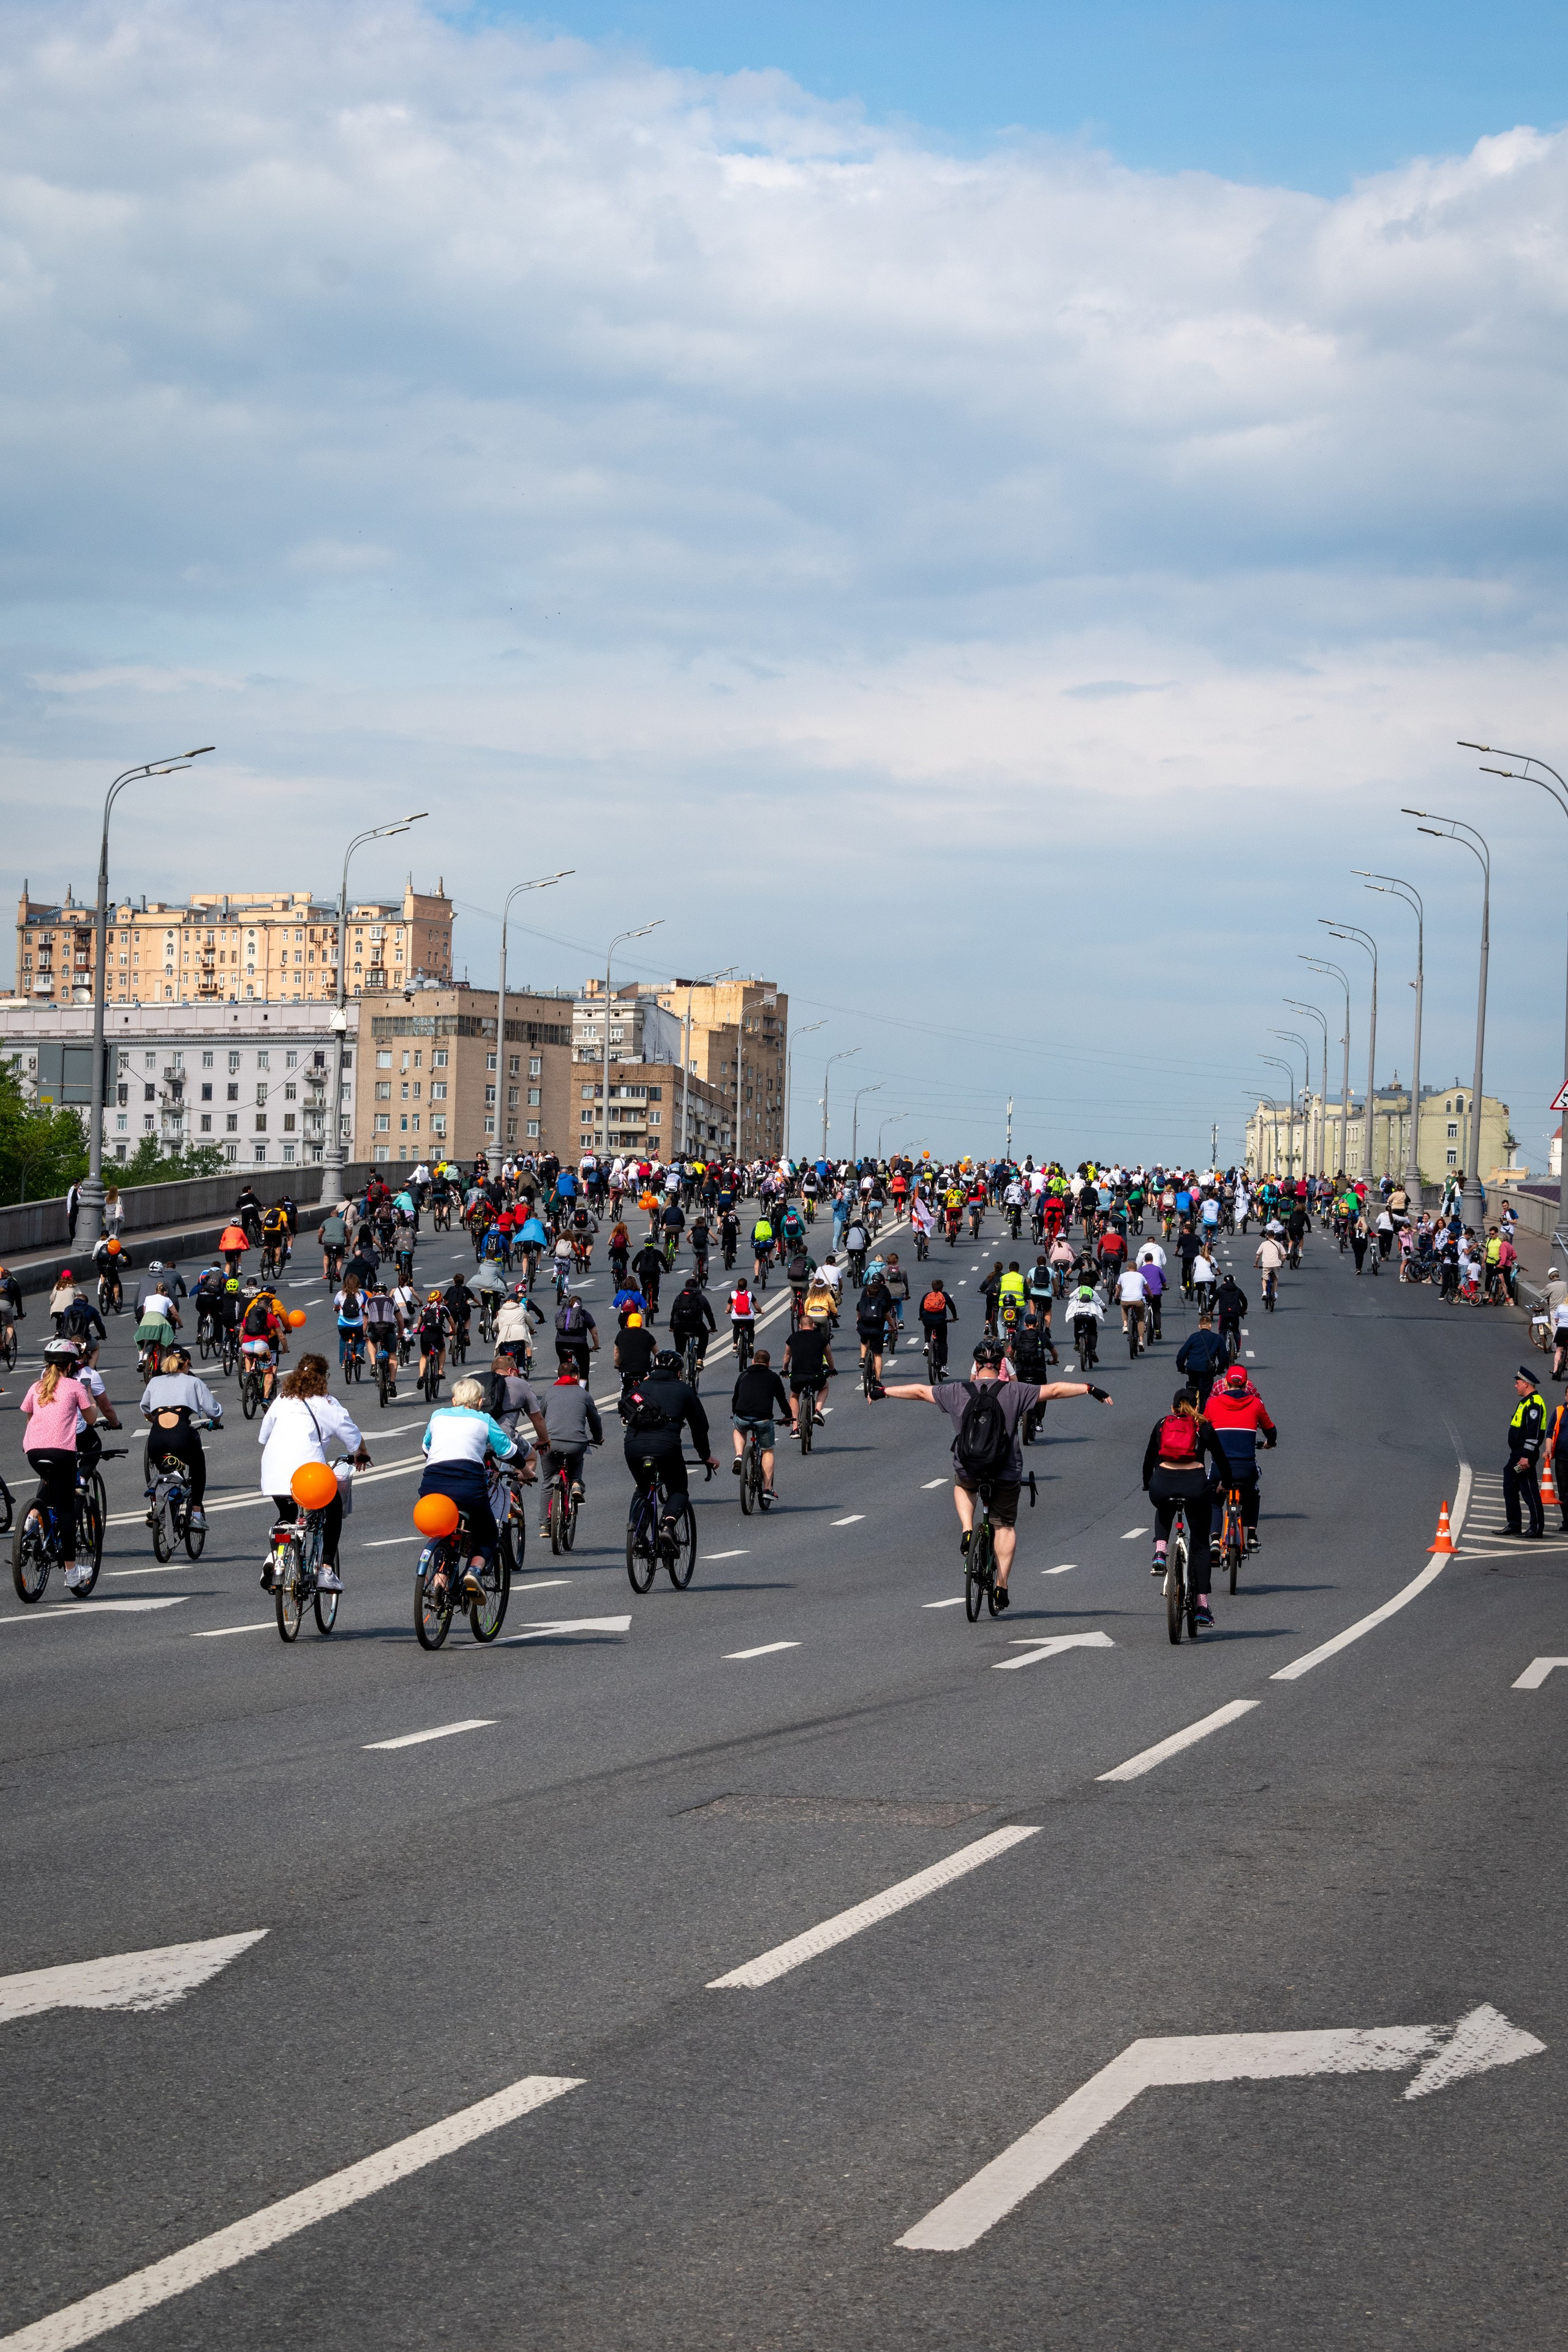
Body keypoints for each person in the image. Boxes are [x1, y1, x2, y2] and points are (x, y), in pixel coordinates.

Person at [876, 1338, 1111, 1604]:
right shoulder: (1015, 1391)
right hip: (1006, 1470)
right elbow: (1055, 1390)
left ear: (976, 1365)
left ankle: (967, 1529)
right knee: (1006, 1527)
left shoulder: (957, 1390)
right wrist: (1089, 1388)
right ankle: (1001, 1586)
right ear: (1002, 1364)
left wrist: (883, 1391)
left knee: (963, 1485)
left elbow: (920, 1391)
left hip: (969, 1465)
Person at [417, 1376, 518, 1599]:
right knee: (488, 1534)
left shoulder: (437, 1416)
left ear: (454, 1401)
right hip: (468, 1488)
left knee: (445, 1530)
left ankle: (439, 1581)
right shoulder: (484, 1420)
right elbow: (508, 1452)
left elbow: (426, 1448)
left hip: (431, 1487)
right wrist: (526, 1470)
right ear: (481, 1403)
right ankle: (474, 1571)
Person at [1141, 1385, 1226, 1626]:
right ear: (1196, 1407)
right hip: (1196, 1487)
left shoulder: (1161, 1424)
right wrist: (1225, 1483)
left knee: (1163, 1505)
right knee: (1200, 1545)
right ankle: (1201, 1605)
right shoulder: (1204, 1426)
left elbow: (1149, 1458)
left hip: (1163, 1484)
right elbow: (1221, 1460)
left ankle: (1160, 1552)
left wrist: (1149, 1483)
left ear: (1172, 1407)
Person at [18, 1341, 98, 1589]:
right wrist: (91, 1399)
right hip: (62, 1452)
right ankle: (72, 1573)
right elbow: (91, 1419)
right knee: (65, 1509)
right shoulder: (75, 1387)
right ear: (72, 1365)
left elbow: (31, 1418)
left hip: (33, 1451)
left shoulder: (36, 1387)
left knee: (48, 1481)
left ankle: (34, 1519)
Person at [621, 1348, 717, 1534]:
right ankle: (668, 1525)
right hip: (666, 1447)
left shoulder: (639, 1389)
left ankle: (636, 1532)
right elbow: (700, 1427)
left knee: (643, 1489)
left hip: (633, 1446)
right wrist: (705, 1456)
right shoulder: (685, 1390)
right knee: (679, 1490)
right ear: (680, 1372)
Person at [140, 1344, 223, 1526]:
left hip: (156, 1439)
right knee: (198, 1465)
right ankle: (196, 1515)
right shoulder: (194, 1382)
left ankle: (157, 1507)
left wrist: (155, 1420)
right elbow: (213, 1411)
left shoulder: (155, 1382)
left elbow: (145, 1409)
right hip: (182, 1437)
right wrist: (215, 1423)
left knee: (163, 1471)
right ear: (186, 1365)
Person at [1205, 1362, 1277, 1549]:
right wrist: (1269, 1443)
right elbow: (1271, 1431)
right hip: (1246, 1470)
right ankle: (1252, 1536)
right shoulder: (1256, 1404)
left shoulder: (1212, 1403)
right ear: (1246, 1386)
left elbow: (1203, 1428)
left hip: (1220, 1471)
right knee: (1253, 1492)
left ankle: (1214, 1539)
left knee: (1214, 1498)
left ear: (1226, 1384)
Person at [538, 1360, 605, 1535]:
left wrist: (541, 1439)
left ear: (558, 1376)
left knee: (547, 1483)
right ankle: (576, 1483)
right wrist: (598, 1438)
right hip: (576, 1444)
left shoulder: (550, 1392)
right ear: (576, 1376)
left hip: (550, 1444)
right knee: (576, 1463)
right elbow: (595, 1420)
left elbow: (540, 1417)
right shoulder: (584, 1395)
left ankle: (545, 1525)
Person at [731, 1346, 793, 1499]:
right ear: (769, 1364)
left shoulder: (743, 1375)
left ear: (753, 1362)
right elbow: (782, 1400)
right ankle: (767, 1489)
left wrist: (736, 1414)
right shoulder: (773, 1377)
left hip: (742, 1415)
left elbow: (735, 1397)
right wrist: (788, 1417)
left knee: (739, 1429)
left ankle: (739, 1455)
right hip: (763, 1419)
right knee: (767, 1451)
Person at [1499, 1365, 1547, 1539]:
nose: (1515, 1386)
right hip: (1517, 1454)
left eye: (1518, 1383)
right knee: (1510, 1487)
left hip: (1524, 1455)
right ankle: (1514, 1524)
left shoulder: (1535, 1404)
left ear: (1526, 1384)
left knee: (1529, 1490)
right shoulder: (1525, 1402)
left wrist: (1526, 1456)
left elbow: (1533, 1434)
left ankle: (1536, 1528)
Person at [782, 1317, 834, 1426]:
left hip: (797, 1377)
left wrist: (785, 1370)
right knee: (825, 1387)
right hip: (816, 1376)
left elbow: (787, 1356)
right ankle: (818, 1411)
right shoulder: (821, 1338)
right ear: (813, 1325)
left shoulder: (792, 1338)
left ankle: (795, 1429)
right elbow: (829, 1356)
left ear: (800, 1326)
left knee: (794, 1396)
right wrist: (832, 1370)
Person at [1175, 1309, 1226, 1408]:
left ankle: (1189, 1410)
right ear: (1210, 1326)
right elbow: (1223, 1357)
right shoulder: (1217, 1338)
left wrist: (1182, 1368)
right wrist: (1219, 1370)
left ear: (1200, 1326)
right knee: (1205, 1396)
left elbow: (1181, 1354)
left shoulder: (1194, 1337)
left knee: (1191, 1391)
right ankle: (1203, 1417)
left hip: (1192, 1368)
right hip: (1207, 1370)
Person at [668, 1269, 718, 1370]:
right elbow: (709, 1313)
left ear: (686, 1287)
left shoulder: (679, 1297)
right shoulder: (700, 1297)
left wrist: (672, 1327)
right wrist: (713, 1327)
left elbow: (673, 1313)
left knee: (679, 1348)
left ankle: (679, 1369)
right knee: (704, 1335)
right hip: (696, 1325)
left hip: (679, 1325)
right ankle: (700, 1359)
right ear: (696, 1287)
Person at [856, 1273, 898, 1388]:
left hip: (864, 1329)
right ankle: (878, 1380)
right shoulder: (882, 1303)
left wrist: (858, 1325)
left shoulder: (861, 1302)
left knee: (864, 1341)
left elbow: (859, 1317)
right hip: (877, 1330)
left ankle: (862, 1358)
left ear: (868, 1293)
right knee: (878, 1355)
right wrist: (893, 1328)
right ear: (878, 1293)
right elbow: (889, 1318)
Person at [554, 1289, 599, 1382]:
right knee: (584, 1366)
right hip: (579, 1344)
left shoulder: (561, 1313)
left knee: (563, 1364)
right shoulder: (584, 1314)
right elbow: (594, 1333)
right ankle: (582, 1389)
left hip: (560, 1343)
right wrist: (596, 1346)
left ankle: (560, 1384)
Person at [1214, 1271, 1248, 1360]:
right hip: (1235, 1313)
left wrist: (1210, 1310)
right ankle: (1237, 1350)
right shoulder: (1237, 1290)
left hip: (1224, 1313)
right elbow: (1244, 1300)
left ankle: (1222, 1350)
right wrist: (1244, 1310)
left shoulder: (1220, 1289)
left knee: (1222, 1331)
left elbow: (1213, 1300)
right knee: (1236, 1331)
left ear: (1224, 1281)